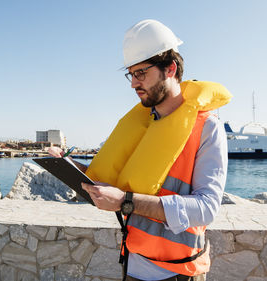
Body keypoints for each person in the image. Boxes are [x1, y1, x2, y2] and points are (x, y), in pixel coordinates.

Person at [50, 19, 231, 281]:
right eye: (131, 74)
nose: (133, 84)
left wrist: (126, 201)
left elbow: (206, 208)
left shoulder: (207, 128)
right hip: (134, 266)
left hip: (178, 274)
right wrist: (67, 165)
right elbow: (115, 185)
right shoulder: (144, 124)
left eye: (141, 73)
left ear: (169, 69)